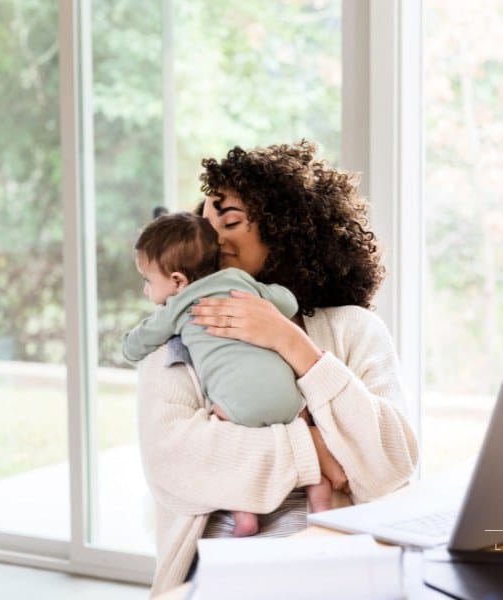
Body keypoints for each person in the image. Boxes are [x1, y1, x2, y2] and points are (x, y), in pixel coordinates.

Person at [135, 140, 419, 596]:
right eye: (204, 228)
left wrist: (294, 345)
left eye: (231, 222)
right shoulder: (183, 335)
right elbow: (176, 463)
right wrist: (314, 449)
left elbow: (390, 466)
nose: (214, 240)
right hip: (228, 571)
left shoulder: (354, 329)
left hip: (345, 563)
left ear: (289, 231)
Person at [122, 212, 334, 537]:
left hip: (237, 407)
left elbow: (139, 342)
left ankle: (244, 514)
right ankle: (320, 501)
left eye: (148, 281)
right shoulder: (242, 283)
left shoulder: (177, 308)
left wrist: (127, 344)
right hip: (290, 400)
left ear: (178, 281)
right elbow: (288, 301)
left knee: (223, 435)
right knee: (312, 454)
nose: (146, 290)